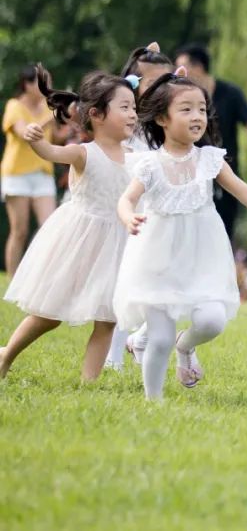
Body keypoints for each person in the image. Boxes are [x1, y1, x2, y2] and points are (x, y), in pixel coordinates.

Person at [113, 71, 247, 400]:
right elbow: (126, 199)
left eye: (202, 110)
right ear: (163, 118)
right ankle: (153, 402)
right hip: (157, 260)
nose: (197, 117)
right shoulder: (150, 164)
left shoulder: (209, 160)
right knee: (159, 338)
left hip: (201, 258)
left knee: (212, 321)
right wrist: (128, 217)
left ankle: (186, 346)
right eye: (187, 109)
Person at [0, 70, 138, 380]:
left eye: (133, 107)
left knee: (108, 318)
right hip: (81, 240)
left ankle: (89, 383)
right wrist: (37, 141)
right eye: (125, 107)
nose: (133, 114)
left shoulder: (135, 158)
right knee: (50, 314)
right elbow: (52, 152)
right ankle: (6, 354)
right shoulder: (83, 152)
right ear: (97, 115)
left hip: (117, 243)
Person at [104, 42, 176, 370]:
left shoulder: (165, 121)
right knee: (127, 284)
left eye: (169, 81)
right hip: (128, 210)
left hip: (160, 212)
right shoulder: (124, 121)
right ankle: (114, 354)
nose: (163, 88)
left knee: (163, 282)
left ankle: (140, 340)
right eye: (153, 82)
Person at [175, 43, 247, 240]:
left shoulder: (230, 93)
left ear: (198, 67)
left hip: (226, 173)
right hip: (190, 175)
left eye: (182, 67)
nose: (178, 73)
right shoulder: (180, 98)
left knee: (224, 234)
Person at [2, 65, 58, 274]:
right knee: (20, 230)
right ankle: (12, 278)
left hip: (43, 173)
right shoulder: (14, 106)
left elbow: (55, 139)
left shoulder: (47, 106)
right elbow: (24, 134)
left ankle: (37, 275)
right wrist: (50, 119)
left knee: (49, 227)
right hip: (17, 174)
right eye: (44, 82)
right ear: (27, 84)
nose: (49, 87)